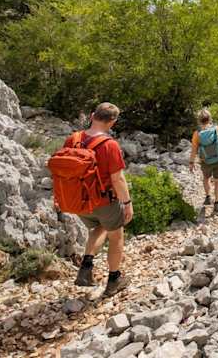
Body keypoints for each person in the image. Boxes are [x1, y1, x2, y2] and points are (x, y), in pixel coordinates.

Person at [70, 102, 133, 297]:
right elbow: (117, 179)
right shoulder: (110, 145)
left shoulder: (73, 139)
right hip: (104, 201)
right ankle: (114, 280)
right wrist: (127, 204)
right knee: (116, 236)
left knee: (100, 227)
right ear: (112, 122)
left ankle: (86, 268)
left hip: (78, 201)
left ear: (92, 115)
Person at [190, 109, 218, 215]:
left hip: (205, 161)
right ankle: (217, 203)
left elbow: (194, 150)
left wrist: (191, 162)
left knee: (206, 178)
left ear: (199, 120)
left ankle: (208, 197)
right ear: (210, 118)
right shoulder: (217, 128)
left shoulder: (197, 134)